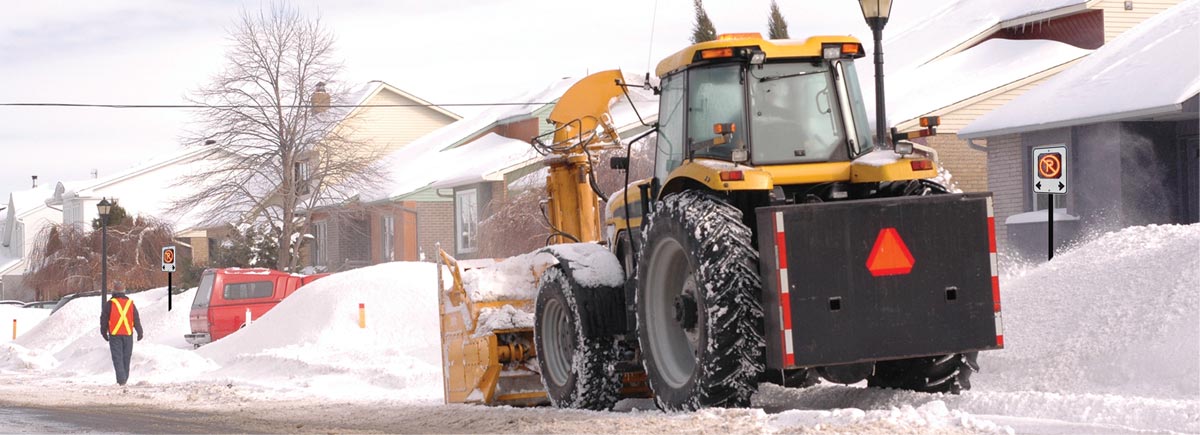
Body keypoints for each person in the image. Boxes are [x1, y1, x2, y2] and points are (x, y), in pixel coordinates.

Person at [100, 281, 143, 386]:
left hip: (115, 335)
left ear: (113, 291)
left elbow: (104, 319)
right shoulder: (130, 303)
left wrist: (103, 332)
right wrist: (139, 331)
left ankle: (121, 380)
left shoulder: (110, 304)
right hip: (128, 334)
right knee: (126, 358)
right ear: (124, 291)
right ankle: (124, 379)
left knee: (117, 358)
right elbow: (136, 319)